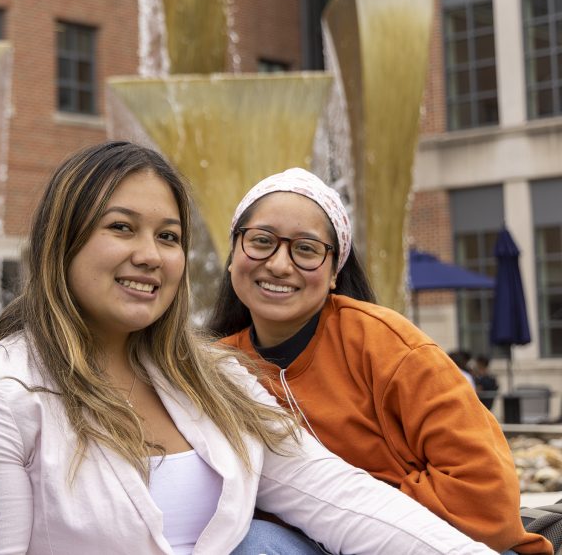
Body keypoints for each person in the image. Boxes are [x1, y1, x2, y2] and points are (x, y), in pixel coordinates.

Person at [0, 141, 498, 555]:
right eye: (121, 228)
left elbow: (344, 498)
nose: (151, 256)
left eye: (169, 236)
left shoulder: (217, 378)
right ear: (63, 241)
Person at [210, 167, 550, 555]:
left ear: (335, 270)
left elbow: (486, 498)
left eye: (305, 249)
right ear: (234, 253)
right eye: (261, 241)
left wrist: (350, 515)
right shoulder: (216, 369)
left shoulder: (389, 346)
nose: (280, 265)